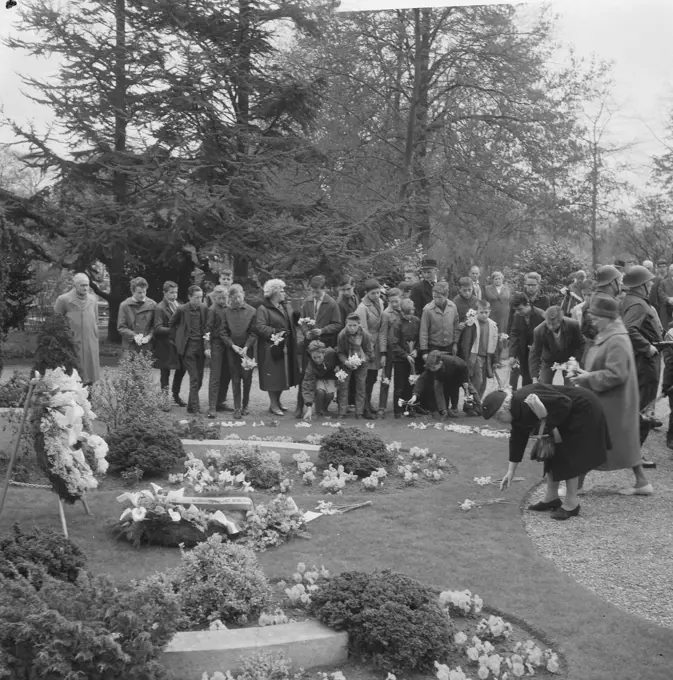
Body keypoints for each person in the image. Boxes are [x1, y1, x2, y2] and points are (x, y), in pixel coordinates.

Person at [483, 383, 609, 521]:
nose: (498, 421)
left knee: (569, 453)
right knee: (549, 451)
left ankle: (571, 504)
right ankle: (551, 498)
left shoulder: (528, 398)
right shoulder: (516, 410)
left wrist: (548, 424)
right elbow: (517, 439)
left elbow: (564, 403)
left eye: (497, 417)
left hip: (582, 409)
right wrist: (511, 471)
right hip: (562, 416)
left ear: (504, 409)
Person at [571, 295, 652, 495]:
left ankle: (576, 486)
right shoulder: (610, 334)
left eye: (596, 317)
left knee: (589, 439)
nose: (592, 321)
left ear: (608, 317)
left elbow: (617, 374)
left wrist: (588, 377)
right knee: (624, 443)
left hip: (612, 402)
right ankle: (642, 483)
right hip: (612, 400)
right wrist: (584, 375)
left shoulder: (617, 340)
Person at [621, 265, 664, 456]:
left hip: (643, 360)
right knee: (645, 406)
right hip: (645, 362)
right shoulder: (638, 304)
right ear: (640, 286)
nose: (650, 285)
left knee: (640, 404)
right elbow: (629, 329)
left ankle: (632, 448)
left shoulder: (633, 300)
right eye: (648, 282)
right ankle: (634, 452)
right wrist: (647, 348)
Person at [295, 275, 343, 418]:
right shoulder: (307, 302)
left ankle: (322, 407)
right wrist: (306, 333)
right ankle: (299, 406)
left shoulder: (332, 304)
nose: (314, 295)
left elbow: (338, 324)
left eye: (317, 292)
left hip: (325, 345)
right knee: (305, 375)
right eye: (312, 291)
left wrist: (322, 330)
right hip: (308, 344)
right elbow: (301, 321)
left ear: (325, 289)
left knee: (324, 374)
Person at [255, 278, 300, 416]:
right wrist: (276, 332)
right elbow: (260, 327)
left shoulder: (285, 306)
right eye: (281, 290)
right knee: (273, 376)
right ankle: (273, 405)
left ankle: (278, 402)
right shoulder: (263, 309)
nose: (283, 293)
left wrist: (298, 317)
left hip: (286, 347)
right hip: (271, 348)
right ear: (274, 292)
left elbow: (292, 322)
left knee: (283, 376)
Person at [53, 273, 100, 386]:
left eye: (87, 285)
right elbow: (55, 323)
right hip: (72, 342)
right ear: (75, 285)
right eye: (82, 285)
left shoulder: (93, 300)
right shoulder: (63, 300)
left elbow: (95, 320)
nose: (85, 288)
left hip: (90, 343)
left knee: (90, 374)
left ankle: (90, 397)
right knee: (73, 375)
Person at [170, 285, 209, 414]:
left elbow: (206, 327)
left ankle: (191, 406)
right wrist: (178, 338)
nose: (199, 300)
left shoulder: (204, 308)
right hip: (187, 349)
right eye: (196, 298)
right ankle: (196, 409)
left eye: (201, 297)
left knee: (200, 379)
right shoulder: (182, 309)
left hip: (200, 347)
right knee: (194, 378)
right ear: (189, 297)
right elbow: (172, 324)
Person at [222, 283, 257, 419]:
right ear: (230, 298)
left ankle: (245, 405)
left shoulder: (252, 311)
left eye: (239, 296)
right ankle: (237, 407)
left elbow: (253, 332)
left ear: (243, 294)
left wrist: (247, 347)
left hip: (247, 350)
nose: (238, 300)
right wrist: (232, 346)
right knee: (235, 378)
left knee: (247, 378)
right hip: (233, 350)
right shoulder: (226, 312)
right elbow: (223, 332)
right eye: (234, 297)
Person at [529, 306, 585, 385]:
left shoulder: (573, 325)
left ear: (561, 320)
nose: (551, 327)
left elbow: (581, 344)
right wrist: (534, 377)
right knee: (544, 385)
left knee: (570, 387)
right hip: (549, 360)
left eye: (554, 324)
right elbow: (534, 353)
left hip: (568, 359)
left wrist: (576, 361)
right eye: (548, 324)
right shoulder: (538, 331)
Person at [407, 350, 471, 419]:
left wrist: (465, 381)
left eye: (433, 367)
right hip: (441, 377)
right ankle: (444, 411)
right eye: (430, 368)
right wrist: (415, 395)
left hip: (459, 374)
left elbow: (464, 366)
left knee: (470, 390)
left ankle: (476, 408)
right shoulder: (431, 367)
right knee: (438, 388)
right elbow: (421, 380)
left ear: (440, 363)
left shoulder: (453, 361)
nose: (431, 370)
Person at [153, 280, 186, 407]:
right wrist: (174, 330)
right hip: (165, 344)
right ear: (164, 293)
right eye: (171, 293)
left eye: (176, 292)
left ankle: (176, 395)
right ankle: (164, 398)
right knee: (165, 372)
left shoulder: (179, 305)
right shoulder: (160, 307)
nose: (174, 295)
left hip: (178, 344)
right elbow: (157, 328)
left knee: (182, 369)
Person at [457, 299, 500, 398]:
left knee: (483, 383)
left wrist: (495, 360)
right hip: (475, 357)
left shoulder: (493, 325)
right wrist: (466, 359)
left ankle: (478, 403)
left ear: (490, 311)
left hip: (487, 357)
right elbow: (466, 344)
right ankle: (470, 406)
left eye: (486, 312)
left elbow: (495, 344)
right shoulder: (472, 324)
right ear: (476, 312)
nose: (484, 315)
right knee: (477, 381)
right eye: (481, 312)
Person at [355, 280, 384, 419]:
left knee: (373, 378)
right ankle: (364, 407)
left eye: (378, 292)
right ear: (366, 293)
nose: (377, 295)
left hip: (378, 344)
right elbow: (363, 331)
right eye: (373, 293)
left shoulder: (381, 302)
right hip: (368, 346)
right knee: (366, 378)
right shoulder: (362, 308)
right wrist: (368, 350)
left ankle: (369, 403)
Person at [336, 313, 374, 419]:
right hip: (347, 362)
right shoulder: (342, 335)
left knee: (360, 386)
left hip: (361, 363)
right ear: (345, 325)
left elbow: (368, 352)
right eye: (349, 325)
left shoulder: (365, 335)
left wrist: (362, 360)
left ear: (359, 325)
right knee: (343, 386)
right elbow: (340, 352)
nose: (352, 328)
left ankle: (359, 412)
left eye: (354, 325)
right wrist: (346, 362)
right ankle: (342, 412)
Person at [390, 298, 421, 418]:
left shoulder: (417, 321)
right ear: (401, 312)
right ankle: (398, 410)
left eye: (411, 313)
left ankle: (410, 409)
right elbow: (393, 344)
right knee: (399, 386)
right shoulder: (397, 324)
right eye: (406, 314)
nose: (409, 316)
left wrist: (417, 350)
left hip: (413, 358)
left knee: (411, 385)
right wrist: (405, 355)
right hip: (400, 359)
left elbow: (420, 338)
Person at [508, 292, 545, 390]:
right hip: (523, 353)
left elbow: (547, 335)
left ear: (527, 304)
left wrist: (537, 347)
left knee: (538, 379)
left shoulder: (541, 315)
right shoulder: (517, 316)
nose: (518, 312)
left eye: (520, 309)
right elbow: (514, 334)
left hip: (538, 354)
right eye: (515, 310)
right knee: (526, 379)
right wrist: (512, 355)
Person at [205, 285, 232, 418]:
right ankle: (212, 406)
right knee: (215, 376)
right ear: (215, 298)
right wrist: (207, 346)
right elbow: (207, 329)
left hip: (227, 344)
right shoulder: (212, 309)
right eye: (219, 298)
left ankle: (221, 401)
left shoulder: (229, 308)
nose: (222, 300)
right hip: (216, 344)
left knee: (226, 375)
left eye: (224, 298)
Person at [378, 288, 403, 417]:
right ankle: (381, 407)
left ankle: (399, 407)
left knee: (400, 380)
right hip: (388, 350)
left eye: (396, 301)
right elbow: (382, 333)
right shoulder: (386, 313)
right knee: (385, 379)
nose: (394, 304)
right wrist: (382, 353)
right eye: (391, 301)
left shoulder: (404, 311)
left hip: (401, 350)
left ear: (401, 299)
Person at [301, 340, 340, 421]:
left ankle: (324, 409)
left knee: (330, 394)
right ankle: (317, 412)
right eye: (314, 357)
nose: (317, 360)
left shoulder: (331, 353)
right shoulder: (310, 366)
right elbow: (307, 384)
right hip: (318, 377)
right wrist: (309, 407)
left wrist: (338, 365)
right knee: (320, 392)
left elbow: (340, 357)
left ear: (324, 353)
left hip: (330, 376)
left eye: (319, 357)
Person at [419, 282, 459, 356]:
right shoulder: (428, 310)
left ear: (446, 296)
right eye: (434, 297)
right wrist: (424, 350)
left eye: (440, 297)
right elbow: (423, 331)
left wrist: (455, 343)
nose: (437, 300)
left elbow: (456, 326)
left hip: (449, 346)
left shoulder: (452, 307)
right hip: (434, 346)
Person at [117, 277, 157, 352]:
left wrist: (149, 336)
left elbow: (155, 325)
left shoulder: (153, 305)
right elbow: (121, 327)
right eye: (139, 292)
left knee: (145, 363)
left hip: (147, 347)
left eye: (144, 292)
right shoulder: (124, 305)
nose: (142, 295)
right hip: (129, 347)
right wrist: (134, 336)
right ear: (133, 292)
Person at [656, 264, 673, 329]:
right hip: (667, 309)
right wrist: (668, 299)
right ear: (669, 271)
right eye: (672, 270)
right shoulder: (663, 282)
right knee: (667, 328)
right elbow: (660, 293)